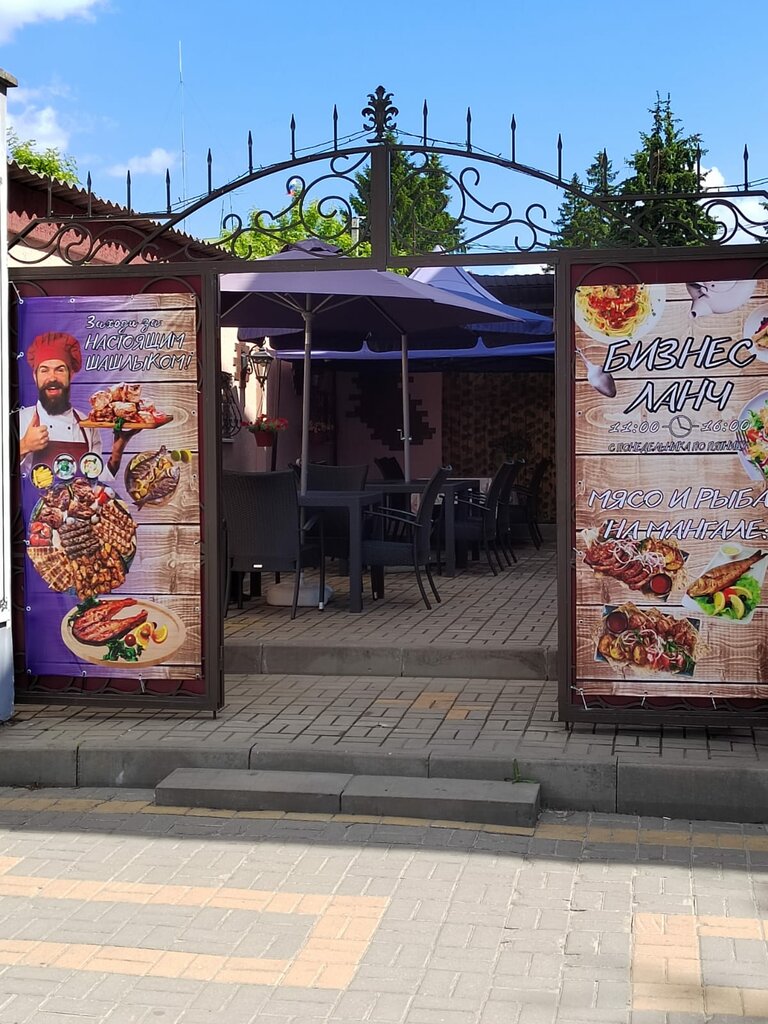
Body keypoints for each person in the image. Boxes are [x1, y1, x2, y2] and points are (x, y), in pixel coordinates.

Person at [18, 331, 132, 480]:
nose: (52, 378)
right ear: (35, 376)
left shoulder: (87, 424)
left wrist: (117, 453)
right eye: (44, 370)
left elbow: (95, 483)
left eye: (60, 370)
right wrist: (24, 446)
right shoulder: (18, 420)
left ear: (71, 374)